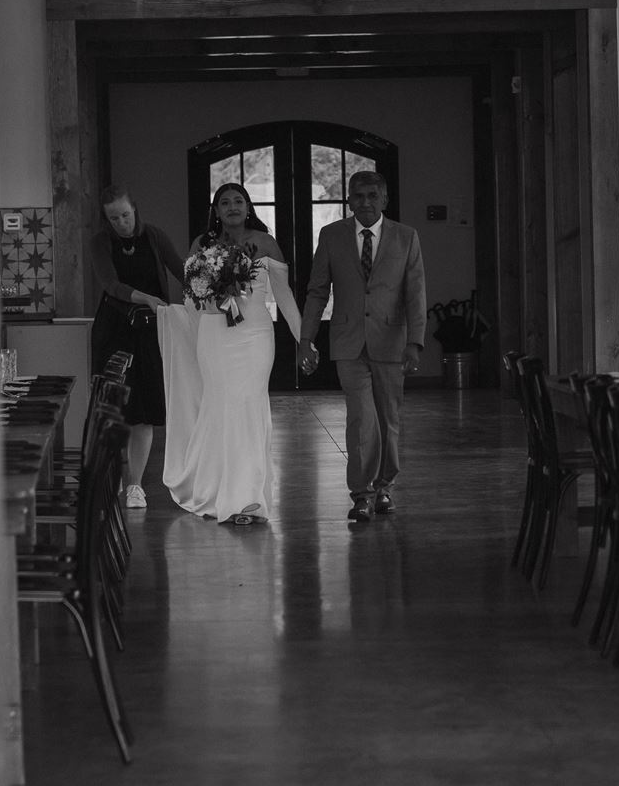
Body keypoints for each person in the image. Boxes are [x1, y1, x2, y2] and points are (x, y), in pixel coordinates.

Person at [157, 182, 298, 527]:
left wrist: (303, 338)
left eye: (238, 200)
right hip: (214, 336)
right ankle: (219, 489)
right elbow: (191, 296)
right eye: (224, 202)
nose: (232, 206)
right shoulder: (202, 246)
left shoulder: (266, 243)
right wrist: (205, 302)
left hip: (254, 337)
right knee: (220, 406)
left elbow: (284, 297)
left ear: (248, 207)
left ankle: (248, 497)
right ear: (216, 211)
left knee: (249, 406)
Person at [298, 170, 427, 524]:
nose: (365, 202)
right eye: (358, 196)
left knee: (389, 418)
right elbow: (317, 290)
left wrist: (415, 342)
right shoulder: (332, 235)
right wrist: (305, 339)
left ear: (384, 200)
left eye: (373, 196)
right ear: (349, 200)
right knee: (360, 419)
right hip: (348, 341)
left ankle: (385, 486)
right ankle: (362, 493)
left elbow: (415, 294)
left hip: (392, 341)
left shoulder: (406, 237)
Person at [88, 185, 187, 508]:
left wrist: (207, 287)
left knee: (143, 411)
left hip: (149, 331)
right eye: (114, 218)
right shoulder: (100, 242)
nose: (121, 223)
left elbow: (181, 270)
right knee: (115, 407)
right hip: (114, 330)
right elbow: (110, 284)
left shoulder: (154, 236)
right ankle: (113, 473)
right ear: (106, 220)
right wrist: (145, 298)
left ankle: (135, 485)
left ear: (136, 210)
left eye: (126, 215)